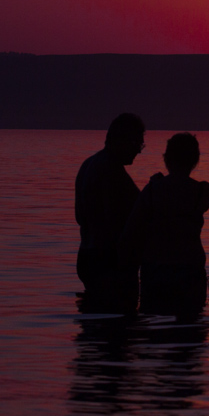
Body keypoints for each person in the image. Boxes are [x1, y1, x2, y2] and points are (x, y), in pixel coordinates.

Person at [122, 132, 209, 314]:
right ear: (195, 160)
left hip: (157, 270)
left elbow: (130, 230)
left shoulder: (153, 190)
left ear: (167, 158)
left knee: (154, 330)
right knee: (191, 332)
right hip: (191, 271)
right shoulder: (202, 191)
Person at [75, 113, 145, 309]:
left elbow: (80, 216)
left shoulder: (88, 164)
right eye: (137, 144)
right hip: (108, 261)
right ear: (123, 140)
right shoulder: (111, 170)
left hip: (87, 255)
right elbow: (117, 219)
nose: (138, 151)